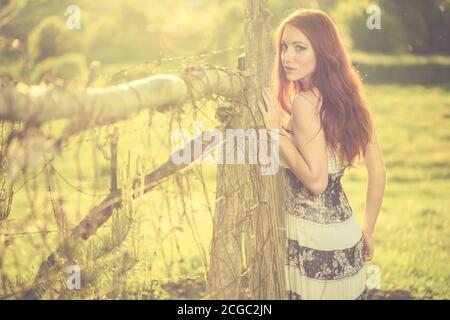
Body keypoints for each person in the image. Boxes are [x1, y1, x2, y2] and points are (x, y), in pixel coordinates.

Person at [258, 8, 386, 300]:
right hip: (346, 238)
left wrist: (276, 133)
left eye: (300, 48)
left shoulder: (305, 103)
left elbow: (317, 182)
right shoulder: (351, 99)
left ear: (323, 52)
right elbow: (379, 171)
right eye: (284, 47)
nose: (287, 57)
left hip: (312, 245)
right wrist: (367, 229)